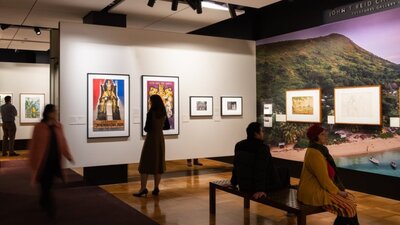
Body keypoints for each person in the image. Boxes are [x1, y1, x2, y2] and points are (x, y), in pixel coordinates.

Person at [297, 124, 359, 225]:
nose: (325, 135)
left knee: (350, 203)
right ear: (315, 137)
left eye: (325, 133)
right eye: (322, 134)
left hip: (320, 188)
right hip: (313, 192)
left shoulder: (319, 150)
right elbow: (324, 180)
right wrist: (338, 192)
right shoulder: (315, 153)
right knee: (349, 207)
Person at [29, 104, 74, 217]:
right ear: (48, 113)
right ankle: (50, 208)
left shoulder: (59, 126)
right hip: (43, 161)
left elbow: (63, 142)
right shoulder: (39, 127)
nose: (55, 113)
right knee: (46, 184)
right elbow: (33, 144)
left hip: (54, 161)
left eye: (56, 112)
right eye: (54, 111)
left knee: (48, 184)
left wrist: (68, 155)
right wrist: (32, 160)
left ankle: (43, 201)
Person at [230, 122, 290, 199]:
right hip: (256, 186)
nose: (263, 133)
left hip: (243, 184)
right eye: (261, 131)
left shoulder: (239, 145)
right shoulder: (262, 148)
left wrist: (233, 182)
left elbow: (236, 165)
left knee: (281, 170)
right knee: (285, 171)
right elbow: (260, 170)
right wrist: (260, 190)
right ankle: (285, 200)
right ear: (256, 134)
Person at [134, 95, 170, 197]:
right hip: (160, 139)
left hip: (151, 140)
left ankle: (143, 188)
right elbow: (167, 126)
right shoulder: (163, 113)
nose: (149, 103)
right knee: (158, 164)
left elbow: (146, 128)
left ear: (153, 102)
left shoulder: (151, 113)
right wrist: (159, 127)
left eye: (150, 101)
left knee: (144, 164)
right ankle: (156, 188)